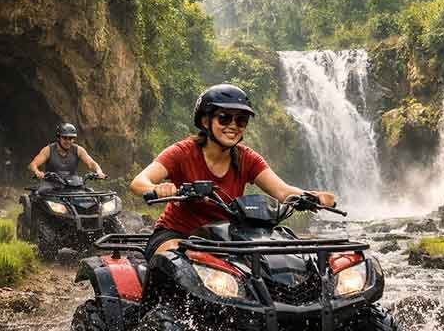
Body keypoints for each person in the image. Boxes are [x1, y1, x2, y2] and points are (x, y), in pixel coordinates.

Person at [130, 84, 335, 257]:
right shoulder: (182, 152)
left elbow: (282, 191)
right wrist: (160, 189)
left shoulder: (247, 158)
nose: (233, 126)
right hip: (178, 234)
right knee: (174, 262)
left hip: (226, 237)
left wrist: (312, 197)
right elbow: (139, 182)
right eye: (225, 118)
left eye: (241, 120)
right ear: (205, 121)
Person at [28, 123, 106, 182]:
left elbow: (91, 163)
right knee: (40, 193)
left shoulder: (78, 150)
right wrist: (37, 172)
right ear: (59, 137)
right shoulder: (48, 150)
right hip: (51, 185)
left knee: (88, 196)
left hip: (73, 184)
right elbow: (33, 164)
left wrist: (99, 172)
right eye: (65, 138)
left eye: (71, 138)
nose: (68, 141)